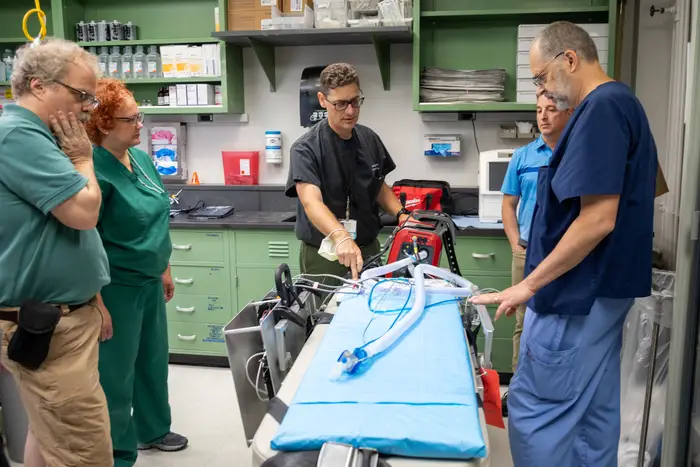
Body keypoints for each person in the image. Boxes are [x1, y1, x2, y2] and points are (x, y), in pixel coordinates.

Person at [471, 21, 659, 466]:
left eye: (541, 78)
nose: (543, 92)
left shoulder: (601, 108)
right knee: (594, 416)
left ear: (569, 60)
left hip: (575, 297)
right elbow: (645, 190)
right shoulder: (626, 104)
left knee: (538, 413)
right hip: (606, 293)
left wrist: (528, 285)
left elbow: (597, 219)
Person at [0, 38, 112, 466]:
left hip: (63, 316)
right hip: (47, 326)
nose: (88, 107)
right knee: (83, 451)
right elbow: (83, 213)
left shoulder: (42, 138)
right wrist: (84, 159)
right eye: (81, 95)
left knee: (48, 440)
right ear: (40, 86)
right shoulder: (18, 137)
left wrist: (94, 299)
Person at [85, 78, 188, 467]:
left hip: (149, 280)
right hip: (116, 287)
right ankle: (119, 450)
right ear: (103, 123)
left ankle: (153, 429)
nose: (140, 124)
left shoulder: (142, 160)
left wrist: (165, 268)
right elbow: (86, 241)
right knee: (116, 373)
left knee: (152, 360)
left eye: (140, 115)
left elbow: (158, 217)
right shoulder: (94, 170)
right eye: (131, 119)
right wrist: (97, 303)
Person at [285, 63, 409, 281]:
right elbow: (311, 202)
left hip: (368, 248)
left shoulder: (369, 138)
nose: (350, 111)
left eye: (355, 101)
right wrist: (341, 236)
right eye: (341, 104)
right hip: (326, 252)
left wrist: (402, 215)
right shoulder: (305, 148)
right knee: (328, 313)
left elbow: (378, 186)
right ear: (323, 100)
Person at [501, 92, 572, 375]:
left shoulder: (576, 154)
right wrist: (516, 246)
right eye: (539, 109)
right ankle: (520, 386)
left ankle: (556, 385)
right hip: (528, 249)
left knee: (563, 319)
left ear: (568, 113)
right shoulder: (523, 157)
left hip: (567, 251)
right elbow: (508, 206)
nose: (543, 116)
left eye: (551, 109)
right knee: (524, 319)